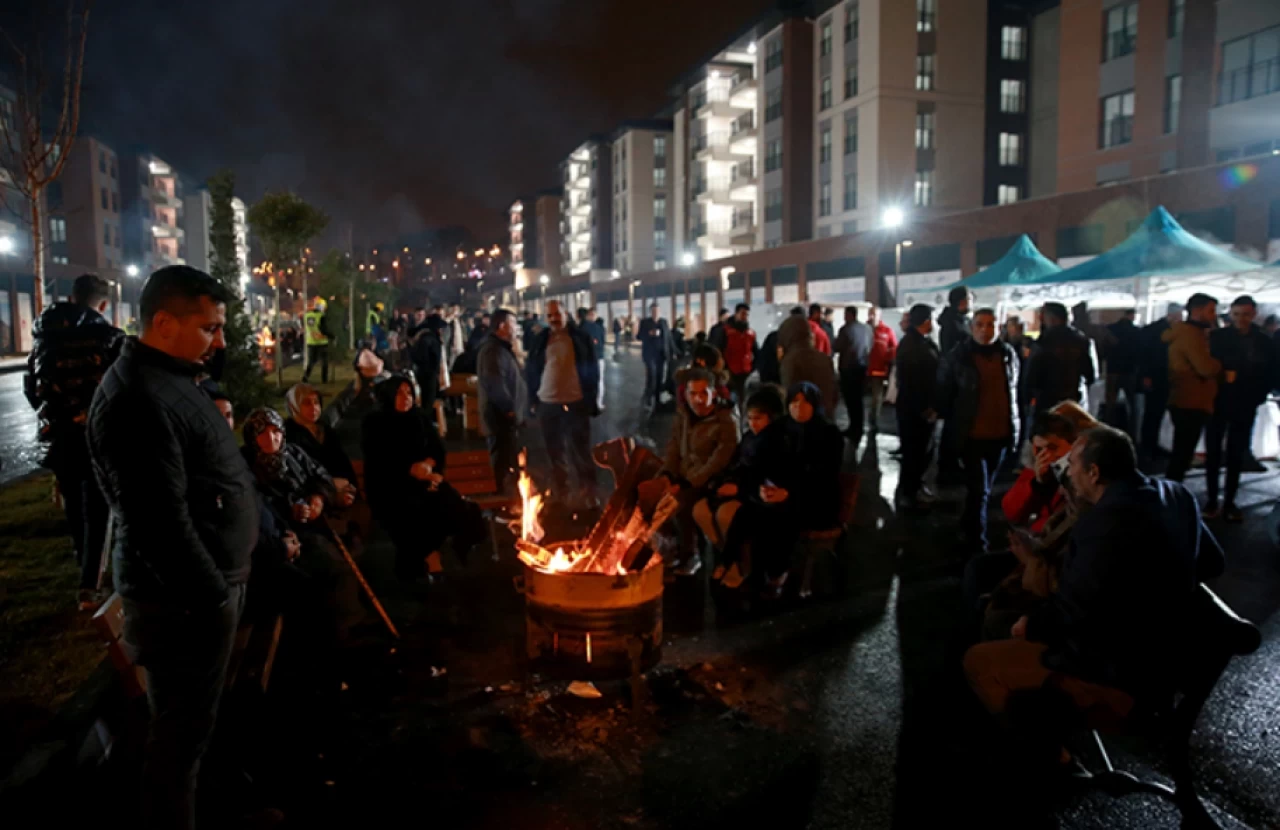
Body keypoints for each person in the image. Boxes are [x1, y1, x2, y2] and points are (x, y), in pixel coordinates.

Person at [87, 266, 257, 829]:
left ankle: (217, 810)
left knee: (195, 732)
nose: (220, 342)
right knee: (178, 743)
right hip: (184, 607)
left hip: (201, 596)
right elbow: (159, 522)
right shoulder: (137, 400)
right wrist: (214, 597)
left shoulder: (168, 378)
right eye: (209, 328)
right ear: (163, 323)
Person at [963, 427, 1224, 749]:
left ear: (1094, 472)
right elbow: (1214, 562)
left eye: (1072, 464)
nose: (1068, 472)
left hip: (1119, 670)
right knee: (1001, 616)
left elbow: (1074, 610)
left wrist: (1032, 624)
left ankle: (1044, 755)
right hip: (1167, 658)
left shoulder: (1104, 520)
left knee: (979, 659)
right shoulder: (1177, 495)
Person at [25, 273, 123, 608]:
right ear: (103, 304)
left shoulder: (44, 337)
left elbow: (31, 387)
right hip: (96, 436)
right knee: (99, 507)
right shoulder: (109, 339)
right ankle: (90, 585)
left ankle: (85, 565)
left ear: (72, 297)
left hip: (59, 435)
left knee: (75, 505)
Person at [240, 407, 364, 640]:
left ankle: (348, 621)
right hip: (285, 536)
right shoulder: (247, 465)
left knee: (351, 549)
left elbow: (320, 476)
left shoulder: (293, 453)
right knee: (332, 568)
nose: (271, 438)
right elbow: (260, 504)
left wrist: (318, 498)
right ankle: (339, 629)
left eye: (276, 431)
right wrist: (290, 510)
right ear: (251, 437)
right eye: (262, 433)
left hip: (317, 524)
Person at [362, 375, 488, 579]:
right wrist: (410, 470)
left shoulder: (418, 418)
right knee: (417, 514)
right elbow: (379, 461)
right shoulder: (375, 423)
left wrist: (429, 467)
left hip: (425, 482)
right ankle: (427, 563)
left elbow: (437, 450)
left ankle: (452, 552)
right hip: (391, 488)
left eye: (409, 392)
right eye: (399, 393)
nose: (406, 397)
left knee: (463, 509)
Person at [936, 308, 1020, 552]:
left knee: (983, 489)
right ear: (972, 328)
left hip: (1000, 433)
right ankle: (977, 542)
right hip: (971, 434)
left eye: (990, 325)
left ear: (998, 328)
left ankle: (968, 523)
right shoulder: (959, 356)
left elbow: (1015, 392)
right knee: (980, 489)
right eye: (980, 325)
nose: (985, 330)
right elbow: (945, 391)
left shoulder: (1007, 354)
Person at [693, 385, 787, 589]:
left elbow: (769, 478)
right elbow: (737, 464)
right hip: (741, 488)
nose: (753, 424)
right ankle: (732, 563)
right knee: (700, 510)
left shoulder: (777, 442)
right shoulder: (749, 438)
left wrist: (740, 489)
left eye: (758, 418)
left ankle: (740, 567)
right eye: (750, 419)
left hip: (757, 498)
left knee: (727, 515)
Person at [660, 368, 740, 576]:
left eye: (704, 393)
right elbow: (674, 447)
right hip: (686, 473)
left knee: (681, 502)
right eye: (693, 393)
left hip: (711, 480)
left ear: (714, 393)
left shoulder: (726, 420)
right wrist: (667, 474)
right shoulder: (684, 415)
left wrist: (687, 483)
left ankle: (690, 554)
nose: (698, 399)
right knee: (653, 494)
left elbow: (719, 460)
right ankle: (669, 547)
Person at [1204, 295, 1276, 520]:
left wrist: (1258, 394)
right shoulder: (1218, 337)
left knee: (1236, 452)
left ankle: (1229, 501)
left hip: (1245, 401)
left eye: (1245, 314)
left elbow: (1270, 371)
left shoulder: (1263, 341)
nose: (1240, 319)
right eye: (1237, 314)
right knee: (1214, 452)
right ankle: (1212, 500)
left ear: (1253, 314)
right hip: (1218, 400)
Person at [526, 300, 600, 507]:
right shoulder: (541, 339)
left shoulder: (581, 338)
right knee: (554, 452)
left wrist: (592, 399)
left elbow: (593, 370)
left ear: (566, 313)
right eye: (549, 316)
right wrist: (532, 399)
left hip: (575, 402)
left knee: (581, 451)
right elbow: (532, 370)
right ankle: (562, 491)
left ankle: (589, 492)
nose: (553, 319)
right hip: (548, 404)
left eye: (557, 314)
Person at [1163, 293, 1221, 482]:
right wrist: (1220, 364)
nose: (1214, 315)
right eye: (1210, 311)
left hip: (1188, 398)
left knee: (1182, 452)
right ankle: (1173, 492)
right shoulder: (1191, 335)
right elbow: (1205, 368)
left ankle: (1173, 490)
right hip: (1191, 399)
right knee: (1182, 453)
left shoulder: (1189, 333)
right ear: (1197, 310)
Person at [477, 309, 527, 495]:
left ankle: (509, 499)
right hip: (500, 420)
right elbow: (495, 384)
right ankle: (504, 503)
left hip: (505, 419)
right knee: (504, 465)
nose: (516, 328)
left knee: (509, 463)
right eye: (513, 323)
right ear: (502, 326)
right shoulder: (493, 351)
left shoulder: (501, 348)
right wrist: (510, 410)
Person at [894, 304, 939, 511]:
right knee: (914, 452)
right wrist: (925, 408)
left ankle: (914, 488)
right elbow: (913, 382)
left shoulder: (920, 342)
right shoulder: (913, 345)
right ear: (926, 321)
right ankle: (909, 494)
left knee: (921, 451)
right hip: (915, 409)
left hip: (918, 407)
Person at [283, 383, 359, 502]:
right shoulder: (288, 434)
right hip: (310, 497)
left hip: (341, 491)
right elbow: (298, 472)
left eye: (316, 402)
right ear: (293, 406)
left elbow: (342, 461)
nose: (314, 408)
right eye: (307, 403)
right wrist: (330, 485)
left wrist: (349, 486)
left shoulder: (326, 430)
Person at [1026, 301, 1097, 412]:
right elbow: (1092, 376)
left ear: (1051, 318)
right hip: (1076, 402)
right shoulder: (1083, 341)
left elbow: (1031, 377)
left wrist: (1028, 399)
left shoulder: (1043, 343)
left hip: (1048, 403)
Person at [1138, 303, 1183, 460]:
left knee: (1155, 412)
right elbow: (1146, 354)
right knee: (1153, 412)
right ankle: (1148, 445)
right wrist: (1146, 375)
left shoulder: (1156, 329)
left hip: (1159, 376)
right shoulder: (1158, 331)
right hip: (1157, 376)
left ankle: (1150, 444)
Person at [778, 314, 838, 416]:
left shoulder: (790, 360)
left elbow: (789, 394)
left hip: (803, 418)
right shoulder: (824, 358)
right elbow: (835, 391)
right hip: (825, 415)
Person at [833, 305, 872, 443]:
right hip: (862, 368)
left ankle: (853, 428)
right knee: (858, 400)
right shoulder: (866, 329)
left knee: (850, 400)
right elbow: (870, 346)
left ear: (849, 315)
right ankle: (858, 427)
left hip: (848, 369)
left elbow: (837, 347)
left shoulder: (846, 329)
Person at [1103, 309, 1143, 438]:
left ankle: (1107, 431)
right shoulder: (1137, 331)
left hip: (1113, 370)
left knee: (1110, 403)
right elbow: (1140, 352)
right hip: (1130, 370)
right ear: (1132, 316)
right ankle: (1132, 434)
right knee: (1133, 405)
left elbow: (1104, 349)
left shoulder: (1110, 329)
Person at [865, 305, 898, 436]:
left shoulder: (887, 331)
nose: (872, 316)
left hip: (878, 370)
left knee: (876, 397)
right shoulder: (864, 329)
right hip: (862, 369)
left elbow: (894, 348)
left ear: (879, 316)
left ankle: (873, 421)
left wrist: (887, 359)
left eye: (874, 314)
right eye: (870, 314)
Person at [408, 307, 444, 415]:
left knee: (426, 400)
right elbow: (429, 357)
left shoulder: (424, 337)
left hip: (423, 373)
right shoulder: (430, 339)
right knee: (428, 402)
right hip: (428, 374)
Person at [638, 303, 672, 410]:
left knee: (659, 377)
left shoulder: (663, 322)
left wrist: (675, 351)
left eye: (657, 311)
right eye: (653, 311)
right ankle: (648, 397)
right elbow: (639, 336)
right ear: (650, 312)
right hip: (649, 355)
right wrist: (649, 333)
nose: (655, 313)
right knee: (652, 376)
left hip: (661, 354)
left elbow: (668, 337)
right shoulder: (645, 322)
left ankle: (657, 400)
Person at [722, 303, 757, 407]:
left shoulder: (750, 333)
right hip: (730, 371)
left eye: (746, 314)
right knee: (730, 399)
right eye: (742, 314)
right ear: (736, 314)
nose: (744, 316)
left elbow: (756, 351)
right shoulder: (725, 331)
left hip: (745, 371)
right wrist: (724, 368)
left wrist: (754, 367)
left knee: (743, 399)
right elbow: (719, 350)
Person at [579, 307, 608, 411]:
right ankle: (598, 403)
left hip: (587, 359)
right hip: (599, 357)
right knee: (599, 381)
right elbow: (603, 342)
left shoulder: (582, 327)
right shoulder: (600, 328)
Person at [302, 297, 332, 383]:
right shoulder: (321, 316)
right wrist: (332, 336)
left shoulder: (307, 315)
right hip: (322, 342)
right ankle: (324, 379)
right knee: (324, 362)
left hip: (311, 342)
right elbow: (324, 330)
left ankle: (305, 377)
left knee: (311, 361)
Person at [937, 287, 972, 357]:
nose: (971, 302)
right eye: (969, 299)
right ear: (962, 301)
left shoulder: (964, 320)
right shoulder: (950, 323)